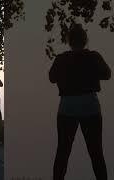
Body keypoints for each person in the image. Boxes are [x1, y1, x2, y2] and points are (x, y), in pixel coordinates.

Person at [49, 23, 111, 180]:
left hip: (67, 107)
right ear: (85, 40)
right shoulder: (94, 56)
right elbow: (107, 74)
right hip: (90, 106)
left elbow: (52, 78)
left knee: (63, 151)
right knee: (96, 152)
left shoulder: (61, 58)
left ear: (69, 41)